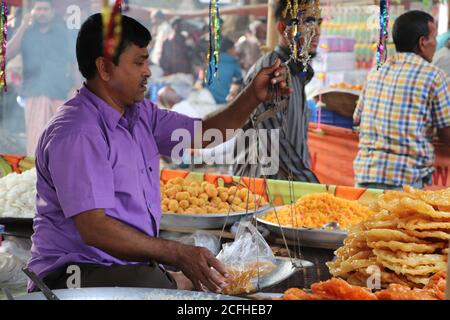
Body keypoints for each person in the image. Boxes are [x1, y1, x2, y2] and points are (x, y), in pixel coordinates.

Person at [27, 13, 290, 293]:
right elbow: (95, 229)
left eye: (147, 61)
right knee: (165, 285)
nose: (148, 71)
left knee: (187, 281)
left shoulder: (141, 115)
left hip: (124, 266)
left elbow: (204, 134)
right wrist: (175, 253)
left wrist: (252, 96)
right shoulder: (80, 132)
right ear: (104, 68)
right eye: (139, 62)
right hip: (71, 274)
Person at [354, 11, 450, 190]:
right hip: (405, 182)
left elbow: (356, 119)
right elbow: (447, 133)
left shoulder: (376, 71)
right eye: (435, 38)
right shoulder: (434, 76)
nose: (437, 44)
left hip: (364, 178)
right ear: (422, 42)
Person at [233, 0, 321, 183]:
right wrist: (314, 188)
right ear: (282, 28)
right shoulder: (271, 72)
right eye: (308, 22)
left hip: (285, 188)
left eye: (318, 23)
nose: (317, 31)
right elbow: (275, 144)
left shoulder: (296, 72)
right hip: (261, 191)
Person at [6, 0, 75, 156]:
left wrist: (76, 88)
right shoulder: (26, 33)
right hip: (34, 93)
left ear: (51, 12)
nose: (42, 13)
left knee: (60, 142)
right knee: (37, 140)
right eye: (38, 9)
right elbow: (7, 54)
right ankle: (36, 176)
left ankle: (58, 177)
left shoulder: (62, 33)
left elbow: (74, 62)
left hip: (60, 92)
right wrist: (23, 26)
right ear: (33, 12)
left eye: (45, 9)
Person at [205, 37, 243, 105]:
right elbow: (241, 78)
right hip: (224, 99)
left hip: (209, 97)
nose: (235, 51)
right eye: (234, 48)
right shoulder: (232, 63)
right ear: (229, 50)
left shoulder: (212, 62)